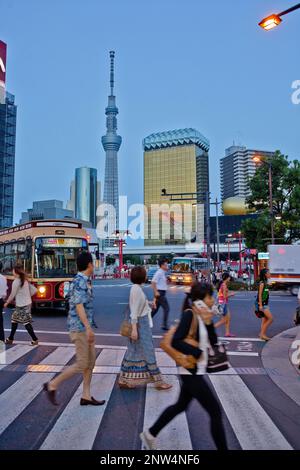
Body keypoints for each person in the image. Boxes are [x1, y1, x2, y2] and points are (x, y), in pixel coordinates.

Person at [140, 282, 228, 450]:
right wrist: (196, 352)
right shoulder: (190, 315)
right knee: (215, 412)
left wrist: (209, 323)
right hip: (190, 371)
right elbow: (176, 341)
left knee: (180, 405)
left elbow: (213, 342)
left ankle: (150, 434)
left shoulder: (203, 316)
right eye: (210, 296)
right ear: (201, 299)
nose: (213, 299)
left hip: (195, 371)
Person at [43, 252, 105, 406]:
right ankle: (52, 385)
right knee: (83, 363)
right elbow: (79, 307)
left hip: (85, 327)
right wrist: (89, 328)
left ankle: (86, 395)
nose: (94, 266)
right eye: (93, 263)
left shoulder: (85, 280)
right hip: (80, 328)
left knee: (90, 363)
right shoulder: (79, 281)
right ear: (90, 264)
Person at [119, 266, 172, 390]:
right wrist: (134, 329)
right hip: (140, 325)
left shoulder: (135, 288)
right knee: (148, 351)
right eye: (145, 273)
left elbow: (136, 304)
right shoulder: (137, 290)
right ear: (142, 277)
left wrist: (148, 303)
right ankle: (159, 382)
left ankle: (124, 379)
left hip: (140, 324)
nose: (146, 275)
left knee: (133, 351)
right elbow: (134, 311)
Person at [4, 265, 38, 346]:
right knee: (14, 320)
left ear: (16, 272)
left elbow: (12, 294)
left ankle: (35, 339)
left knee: (26, 322)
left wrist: (7, 302)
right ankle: (10, 338)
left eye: (13, 271)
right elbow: (35, 290)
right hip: (26, 303)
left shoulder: (16, 282)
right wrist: (26, 295)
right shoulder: (24, 280)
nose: (12, 272)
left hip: (22, 305)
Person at [214, 272, 235, 337]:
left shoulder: (222, 284)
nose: (229, 278)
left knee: (228, 318)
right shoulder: (224, 285)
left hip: (222, 303)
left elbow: (222, 293)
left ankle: (227, 333)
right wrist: (232, 294)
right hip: (223, 303)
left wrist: (228, 292)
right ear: (227, 278)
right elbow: (225, 296)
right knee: (224, 320)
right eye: (229, 277)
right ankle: (210, 329)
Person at [151, 258, 170, 330]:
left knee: (155, 310)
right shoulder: (159, 272)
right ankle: (164, 325)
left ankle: (146, 322)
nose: (167, 266)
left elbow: (160, 283)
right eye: (166, 265)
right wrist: (156, 292)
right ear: (162, 265)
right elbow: (153, 282)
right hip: (160, 293)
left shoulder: (162, 272)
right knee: (167, 308)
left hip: (161, 293)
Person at [256, 268, 273, 341]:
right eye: (269, 273)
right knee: (270, 319)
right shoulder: (262, 283)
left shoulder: (265, 282)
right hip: (262, 304)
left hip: (265, 303)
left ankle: (261, 334)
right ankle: (262, 334)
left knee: (265, 319)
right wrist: (260, 305)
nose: (270, 274)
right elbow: (259, 294)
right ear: (265, 274)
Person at [0, 261, 7, 345]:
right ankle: (1, 339)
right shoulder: (3, 278)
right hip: (0, 301)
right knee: (0, 322)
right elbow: (5, 293)